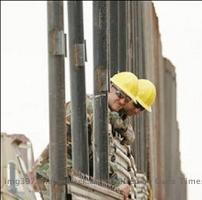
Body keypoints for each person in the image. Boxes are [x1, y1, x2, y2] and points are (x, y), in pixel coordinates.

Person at [30, 71, 139, 199]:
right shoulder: (94, 109)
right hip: (54, 173)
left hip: (59, 173)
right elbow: (101, 153)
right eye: (119, 94)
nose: (121, 101)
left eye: (126, 99)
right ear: (109, 86)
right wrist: (117, 184)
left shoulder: (96, 106)